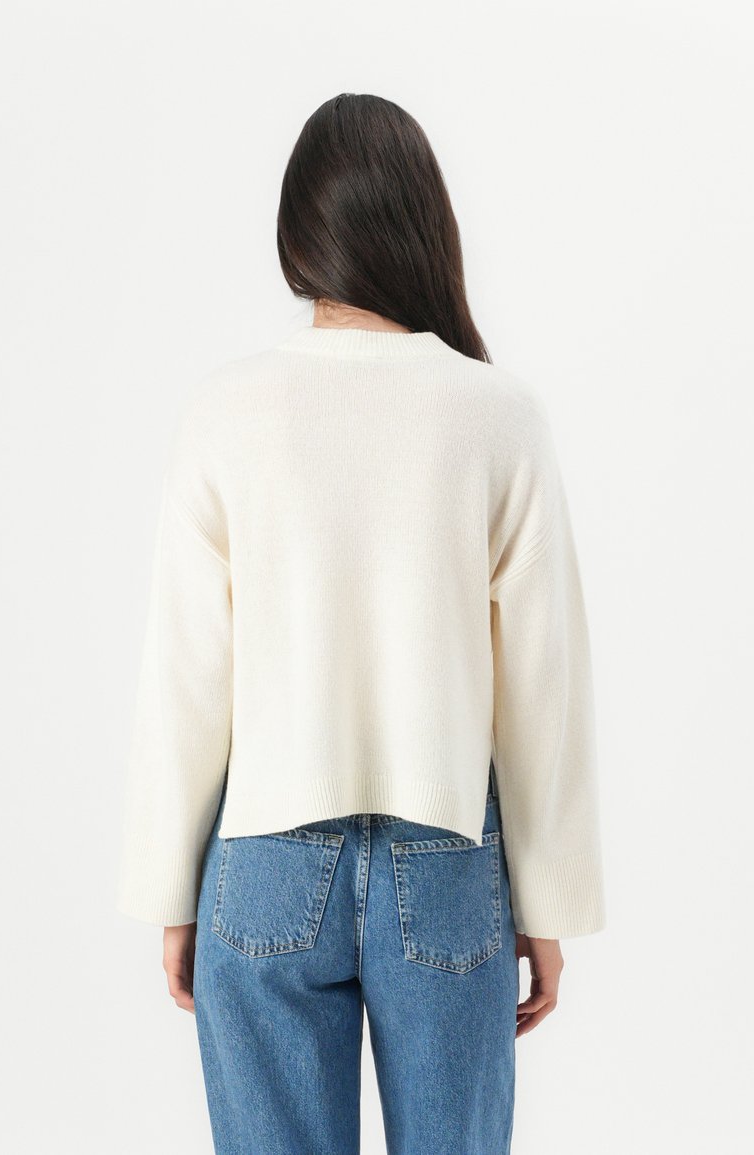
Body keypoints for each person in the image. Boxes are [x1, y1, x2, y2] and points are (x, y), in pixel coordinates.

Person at [116, 92, 606, 1155]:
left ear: (297, 239)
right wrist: (548, 905)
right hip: (446, 862)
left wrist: (169, 888)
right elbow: (544, 689)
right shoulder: (498, 414)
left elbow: (185, 674)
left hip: (263, 861)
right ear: (425, 225)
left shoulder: (225, 412)